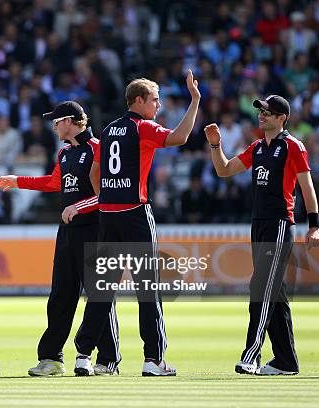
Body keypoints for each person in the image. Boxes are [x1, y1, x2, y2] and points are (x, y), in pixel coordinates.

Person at [73, 70, 201, 377]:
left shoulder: (108, 130)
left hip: (108, 214)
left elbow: (94, 173)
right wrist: (195, 100)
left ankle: (83, 356)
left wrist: (106, 197)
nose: (157, 106)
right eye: (154, 100)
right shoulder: (143, 127)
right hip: (134, 214)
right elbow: (180, 138)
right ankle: (153, 359)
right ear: (139, 100)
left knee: (102, 288)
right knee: (148, 288)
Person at [0, 101, 121, 376]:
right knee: (60, 296)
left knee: (98, 296)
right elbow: (54, 183)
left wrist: (79, 207)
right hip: (68, 232)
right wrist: (18, 181)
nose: (54, 125)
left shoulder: (99, 148)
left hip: (95, 231)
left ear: (72, 121)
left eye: (58, 120)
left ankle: (107, 358)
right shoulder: (64, 154)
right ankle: (51, 358)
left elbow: (109, 195)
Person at [204, 95, 319, 375]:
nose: (262, 115)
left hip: (281, 224)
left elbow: (307, 187)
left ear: (282, 118)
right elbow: (223, 170)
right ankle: (285, 361)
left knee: (260, 289)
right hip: (258, 225)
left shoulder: (293, 146)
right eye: (261, 111)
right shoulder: (257, 148)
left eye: (268, 112)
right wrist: (215, 145)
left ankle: (251, 355)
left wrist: (314, 225)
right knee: (274, 293)